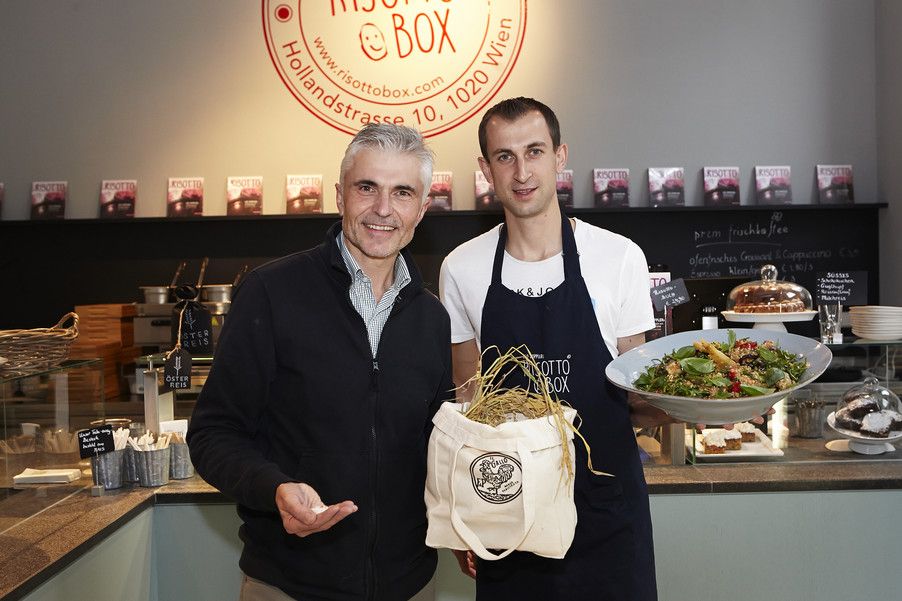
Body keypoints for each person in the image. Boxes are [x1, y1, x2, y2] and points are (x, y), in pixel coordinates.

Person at [188, 123, 454, 601]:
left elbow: (438, 449)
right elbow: (213, 433)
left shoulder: (432, 319)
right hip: (289, 584)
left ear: (422, 208)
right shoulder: (272, 293)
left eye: (402, 192)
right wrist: (275, 488)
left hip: (410, 584)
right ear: (339, 195)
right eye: (366, 187)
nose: (383, 209)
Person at [439, 97, 667, 600]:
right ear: (486, 169)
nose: (522, 172)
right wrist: (464, 513)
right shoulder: (462, 267)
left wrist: (702, 405)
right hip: (511, 517)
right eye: (505, 156)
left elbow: (637, 395)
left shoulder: (619, 257)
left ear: (560, 156)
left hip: (608, 514)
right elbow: (468, 403)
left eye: (535, 151)